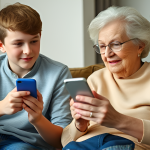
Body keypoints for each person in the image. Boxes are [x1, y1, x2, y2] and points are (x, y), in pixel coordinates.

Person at [61, 6, 150, 150]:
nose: (107, 54)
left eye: (116, 44)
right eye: (102, 46)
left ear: (140, 46)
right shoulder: (95, 79)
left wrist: (118, 120)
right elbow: (65, 141)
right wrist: (80, 125)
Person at [0, 3, 72, 150]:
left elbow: (62, 141)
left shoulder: (58, 73)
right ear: (1, 45)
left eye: (34, 41)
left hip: (27, 144)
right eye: (18, 43)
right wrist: (1, 108)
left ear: (40, 35)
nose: (28, 51)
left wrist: (38, 119)